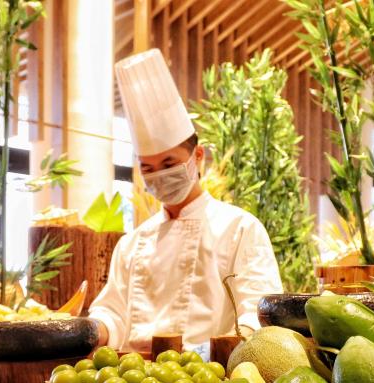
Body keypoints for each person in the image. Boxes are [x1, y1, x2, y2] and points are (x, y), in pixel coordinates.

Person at [88, 49, 283, 354]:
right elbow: (112, 312)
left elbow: (259, 314)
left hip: (212, 381)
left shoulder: (240, 228)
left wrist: (207, 354)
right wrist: (92, 330)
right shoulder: (133, 242)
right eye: (148, 168)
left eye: (169, 163)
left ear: (198, 157)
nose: (159, 176)